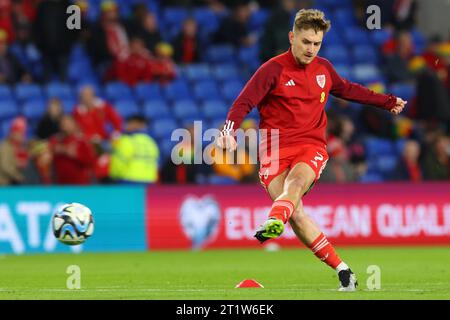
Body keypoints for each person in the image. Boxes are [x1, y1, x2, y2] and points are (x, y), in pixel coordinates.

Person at [216, 9, 407, 291]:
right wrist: (228, 131)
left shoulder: (324, 69)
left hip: (310, 145)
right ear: (292, 37)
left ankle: (273, 219)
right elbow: (244, 102)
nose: (311, 49)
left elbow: (350, 90)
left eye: (316, 44)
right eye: (306, 42)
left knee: (294, 186)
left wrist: (386, 101)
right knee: (296, 213)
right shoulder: (272, 70)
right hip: (274, 150)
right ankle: (344, 271)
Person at [109, 115, 159, 184]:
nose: (126, 126)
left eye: (128, 123)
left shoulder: (127, 140)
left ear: (136, 124)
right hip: (149, 182)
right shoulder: (151, 142)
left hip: (127, 182)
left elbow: (118, 163)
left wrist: (113, 177)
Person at [49, 115, 97, 185]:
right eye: (63, 124)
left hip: (79, 184)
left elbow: (91, 161)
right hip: (60, 184)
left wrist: (76, 155)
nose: (66, 126)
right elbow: (46, 155)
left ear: (74, 125)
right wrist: (60, 150)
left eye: (68, 124)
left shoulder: (82, 141)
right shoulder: (55, 140)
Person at [0, 116, 28, 185]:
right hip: (4, 183)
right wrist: (19, 177)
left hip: (12, 182)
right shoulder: (5, 146)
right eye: (19, 133)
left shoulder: (21, 147)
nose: (21, 136)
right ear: (12, 133)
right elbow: (6, 166)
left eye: (23, 134)